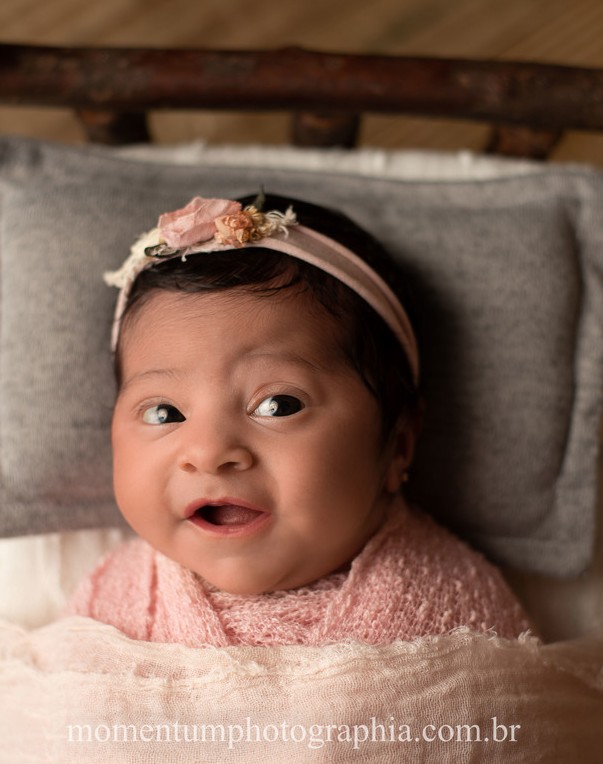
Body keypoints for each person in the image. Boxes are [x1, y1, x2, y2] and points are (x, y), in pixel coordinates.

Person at [65, 193, 534, 647]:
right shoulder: (110, 604)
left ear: (399, 444)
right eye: (164, 413)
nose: (208, 452)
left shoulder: (455, 618)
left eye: (277, 405)